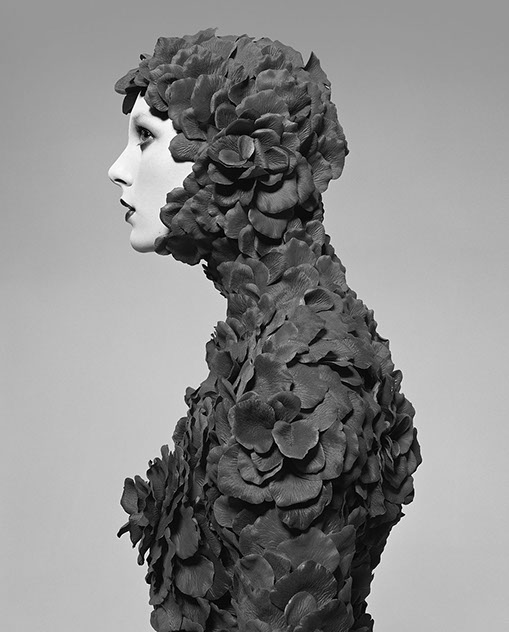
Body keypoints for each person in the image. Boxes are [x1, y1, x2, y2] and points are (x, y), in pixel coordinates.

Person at [109, 29, 421, 632]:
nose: (118, 169)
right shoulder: (284, 328)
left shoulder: (302, 368)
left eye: (145, 137)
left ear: (236, 158)